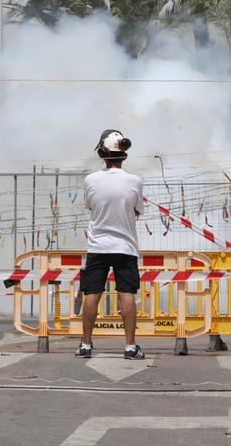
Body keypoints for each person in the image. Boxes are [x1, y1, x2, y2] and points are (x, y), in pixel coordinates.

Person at [75, 129, 145, 360]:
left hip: (98, 247)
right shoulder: (135, 180)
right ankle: (130, 346)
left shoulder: (90, 180)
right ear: (123, 153)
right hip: (125, 247)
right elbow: (137, 211)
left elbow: (91, 207)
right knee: (127, 293)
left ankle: (85, 345)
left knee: (92, 293)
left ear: (103, 153)